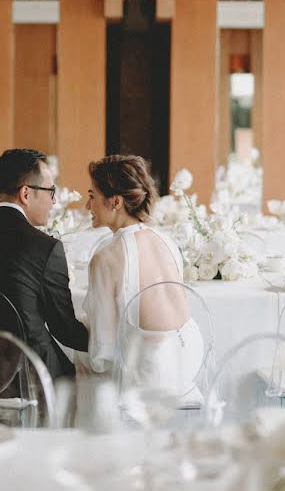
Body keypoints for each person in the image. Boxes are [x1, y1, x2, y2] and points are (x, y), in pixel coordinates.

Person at [0, 149, 88, 379]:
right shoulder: (45, 248)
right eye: (51, 191)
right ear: (26, 193)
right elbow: (65, 331)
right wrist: (109, 340)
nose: (54, 200)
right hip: (27, 379)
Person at [75, 155, 204, 398]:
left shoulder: (105, 257)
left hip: (148, 375)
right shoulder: (166, 240)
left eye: (92, 196)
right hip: (190, 361)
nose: (87, 206)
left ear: (115, 202)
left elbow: (103, 352)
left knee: (75, 364)